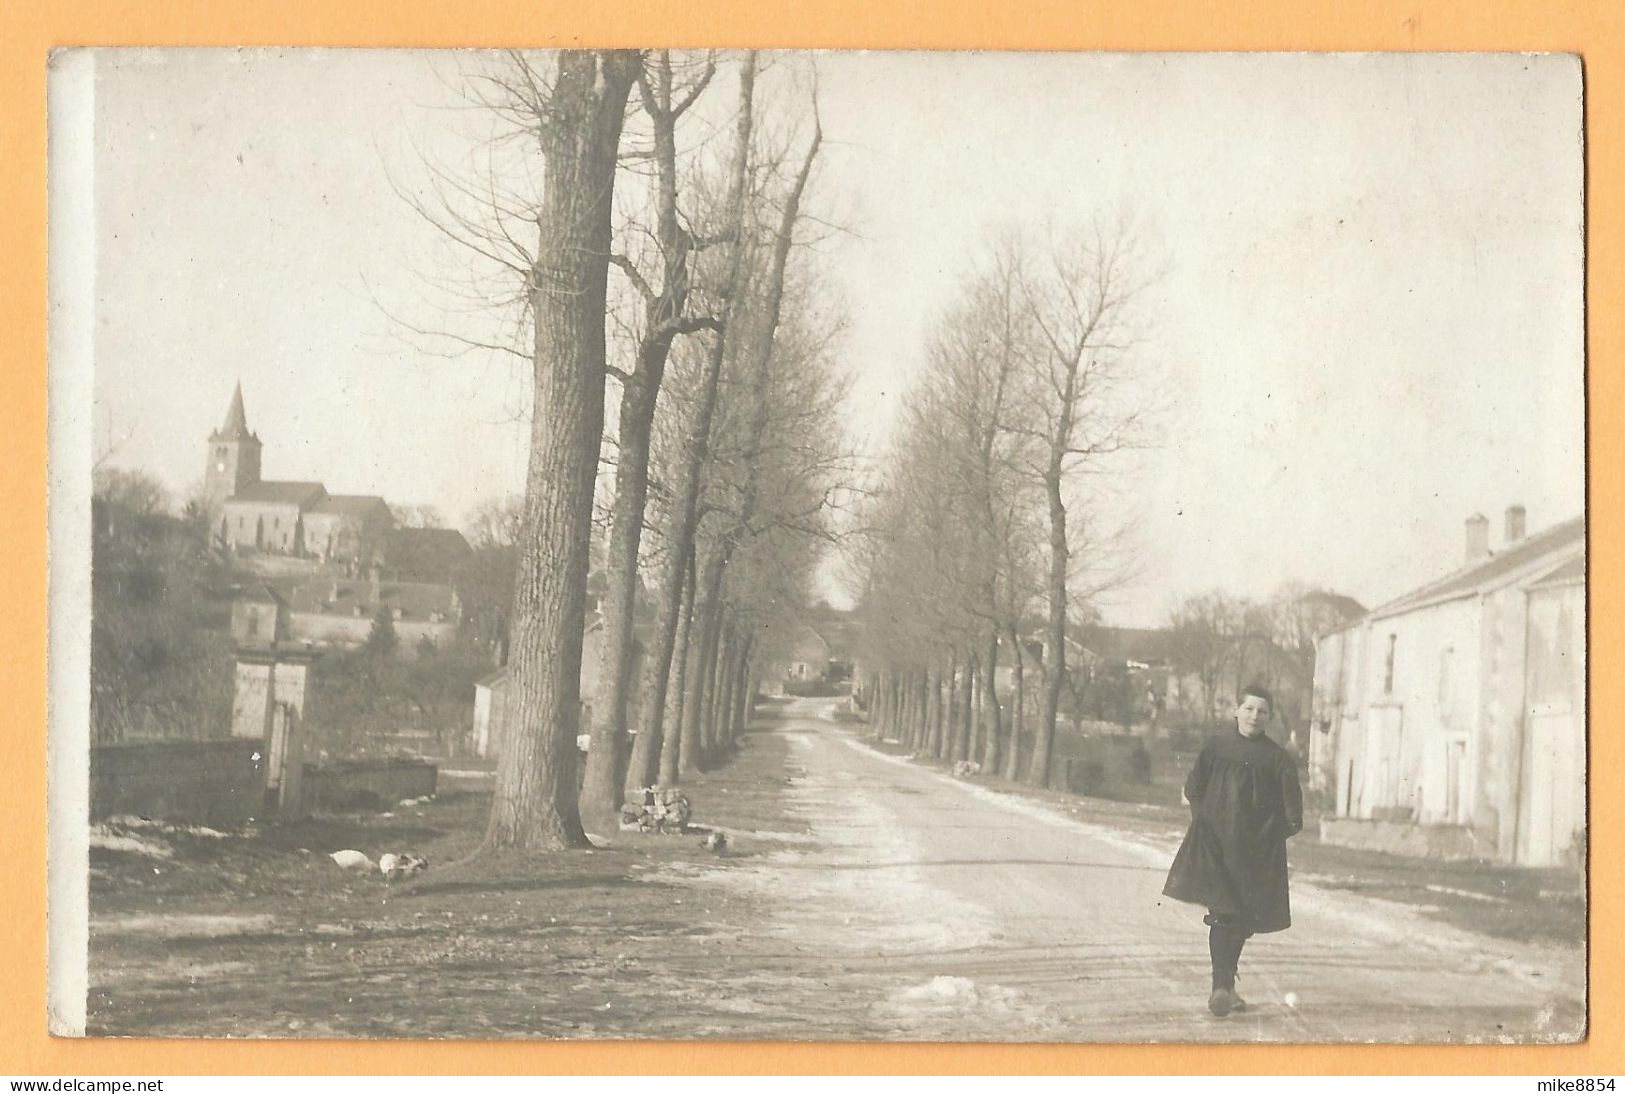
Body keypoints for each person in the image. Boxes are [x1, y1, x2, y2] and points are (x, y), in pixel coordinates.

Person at [1162, 683, 1303, 1017]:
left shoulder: (1278, 759)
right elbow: (1193, 788)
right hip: (1215, 848)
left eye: (1263, 711)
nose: (1255, 716)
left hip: (1255, 857)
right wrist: (1205, 824)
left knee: (1239, 919)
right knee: (1224, 915)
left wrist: (1266, 842)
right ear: (1236, 710)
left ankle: (1225, 988)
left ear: (1269, 717)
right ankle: (1221, 987)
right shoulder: (1216, 748)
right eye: (1250, 708)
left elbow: (1293, 816)